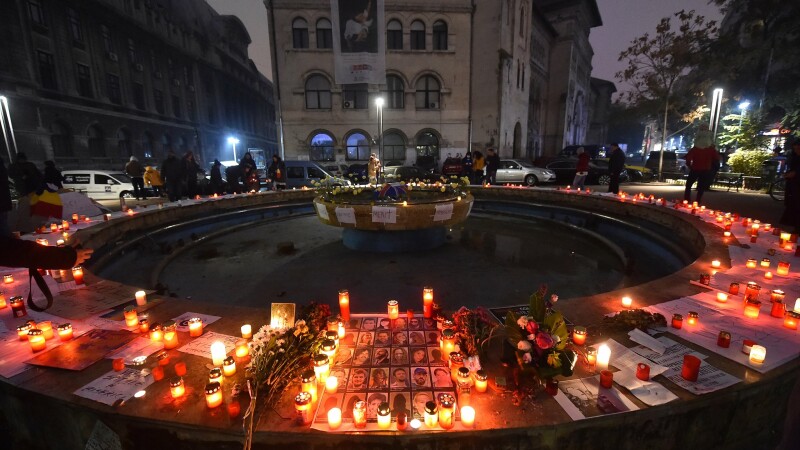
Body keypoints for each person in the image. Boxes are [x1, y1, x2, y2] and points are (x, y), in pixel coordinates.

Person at [683, 128, 719, 203]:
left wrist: (690, 166)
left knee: (689, 185)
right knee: (701, 186)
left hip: (695, 169)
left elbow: (688, 159)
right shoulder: (711, 149)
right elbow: (716, 158)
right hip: (706, 169)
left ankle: (687, 199)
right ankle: (697, 200)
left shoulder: (695, 149)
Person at [779, 140, 800, 233]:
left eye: (798, 149)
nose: (797, 151)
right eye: (795, 149)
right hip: (793, 186)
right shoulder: (795, 157)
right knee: (794, 206)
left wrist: (795, 173)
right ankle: (796, 228)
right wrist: (788, 174)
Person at [0, 158, 12, 237]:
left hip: (2, 203)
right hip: (4, 203)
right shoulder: (3, 171)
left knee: (3, 225)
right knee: (4, 223)